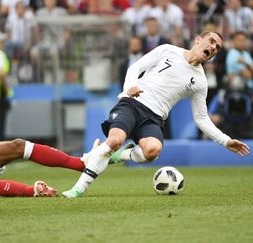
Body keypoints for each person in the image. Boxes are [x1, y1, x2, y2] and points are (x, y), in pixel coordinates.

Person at [62, 31, 251, 198]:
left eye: (217, 47)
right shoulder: (168, 50)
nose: (213, 47)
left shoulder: (201, 82)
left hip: (154, 117)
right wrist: (129, 87)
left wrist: (226, 141)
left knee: (152, 151)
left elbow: (201, 118)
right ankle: (78, 189)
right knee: (115, 140)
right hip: (132, 103)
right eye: (210, 41)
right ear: (198, 39)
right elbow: (135, 68)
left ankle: (119, 156)